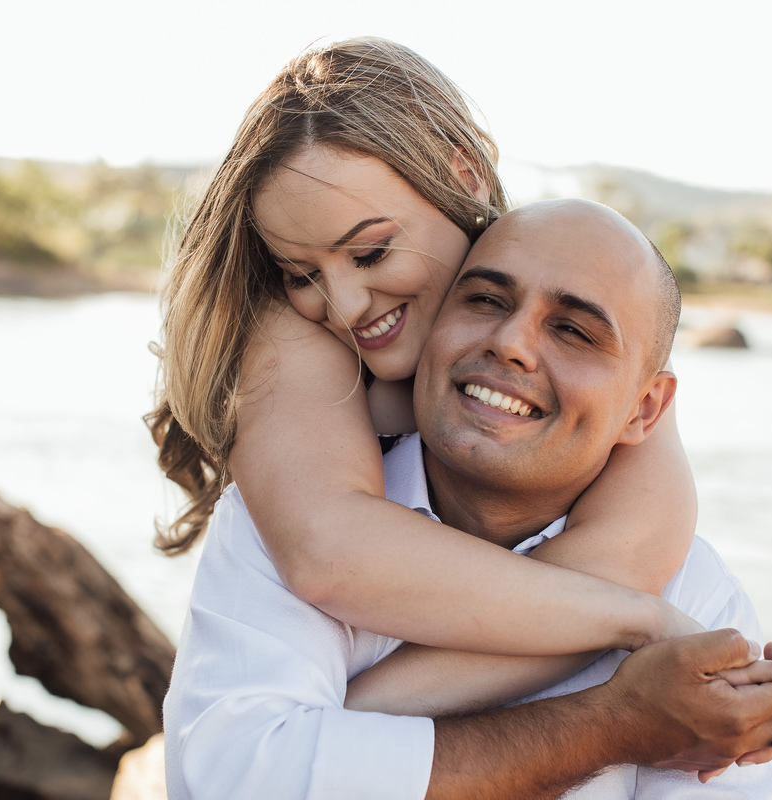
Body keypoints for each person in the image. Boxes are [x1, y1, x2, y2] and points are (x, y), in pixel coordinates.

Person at [162, 200, 772, 799]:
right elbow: (243, 776)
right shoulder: (273, 523)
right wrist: (616, 724)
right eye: (485, 300)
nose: (511, 342)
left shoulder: (695, 594)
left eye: (574, 331)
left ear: (645, 409)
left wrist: (346, 735)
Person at [149, 36, 704, 691]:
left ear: (462, 177)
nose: (346, 306)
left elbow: (625, 562)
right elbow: (329, 553)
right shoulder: (290, 336)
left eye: (371, 252)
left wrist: (373, 715)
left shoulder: (575, 327)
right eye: (300, 272)